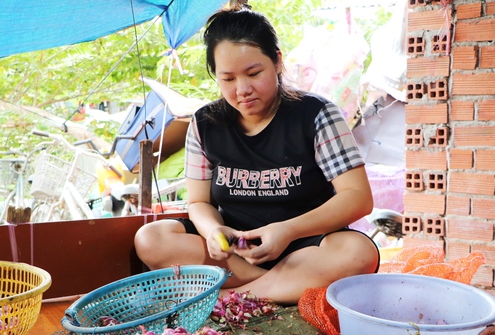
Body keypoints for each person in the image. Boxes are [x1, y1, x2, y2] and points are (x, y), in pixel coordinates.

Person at [134, 6, 379, 305]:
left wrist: (287, 231)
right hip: (236, 250)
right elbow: (198, 202)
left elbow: (358, 197)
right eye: (228, 79)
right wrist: (214, 232)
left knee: (358, 253)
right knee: (151, 239)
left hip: (303, 247)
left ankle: (226, 298)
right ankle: (274, 288)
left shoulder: (316, 114)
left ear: (277, 61)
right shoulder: (204, 123)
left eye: (253, 73)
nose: (243, 90)